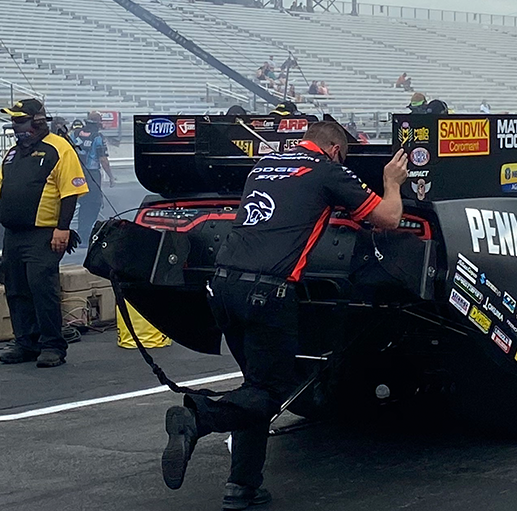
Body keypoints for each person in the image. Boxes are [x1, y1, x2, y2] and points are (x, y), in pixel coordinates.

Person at [160, 122, 407, 509]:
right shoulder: (327, 168)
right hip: (267, 291)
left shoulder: (265, 163)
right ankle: (198, 417)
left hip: (221, 287)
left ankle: (242, 486)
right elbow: (389, 218)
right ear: (336, 150)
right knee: (271, 392)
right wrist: (392, 182)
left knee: (254, 385)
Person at [0, 99, 88, 368]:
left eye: (20, 121)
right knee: (16, 289)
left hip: (44, 234)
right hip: (13, 234)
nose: (16, 126)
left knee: (42, 289)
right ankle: (25, 342)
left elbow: (71, 193)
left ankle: (52, 344)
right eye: (14, 121)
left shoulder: (60, 148)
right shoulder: (11, 154)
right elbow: (1, 193)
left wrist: (62, 228)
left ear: (37, 122)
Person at [71, 118, 110, 239]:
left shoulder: (74, 134)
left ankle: (82, 231)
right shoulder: (98, 137)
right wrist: (111, 177)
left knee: (82, 203)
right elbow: (103, 159)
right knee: (94, 203)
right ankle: (84, 233)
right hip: (92, 174)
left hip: (75, 172)